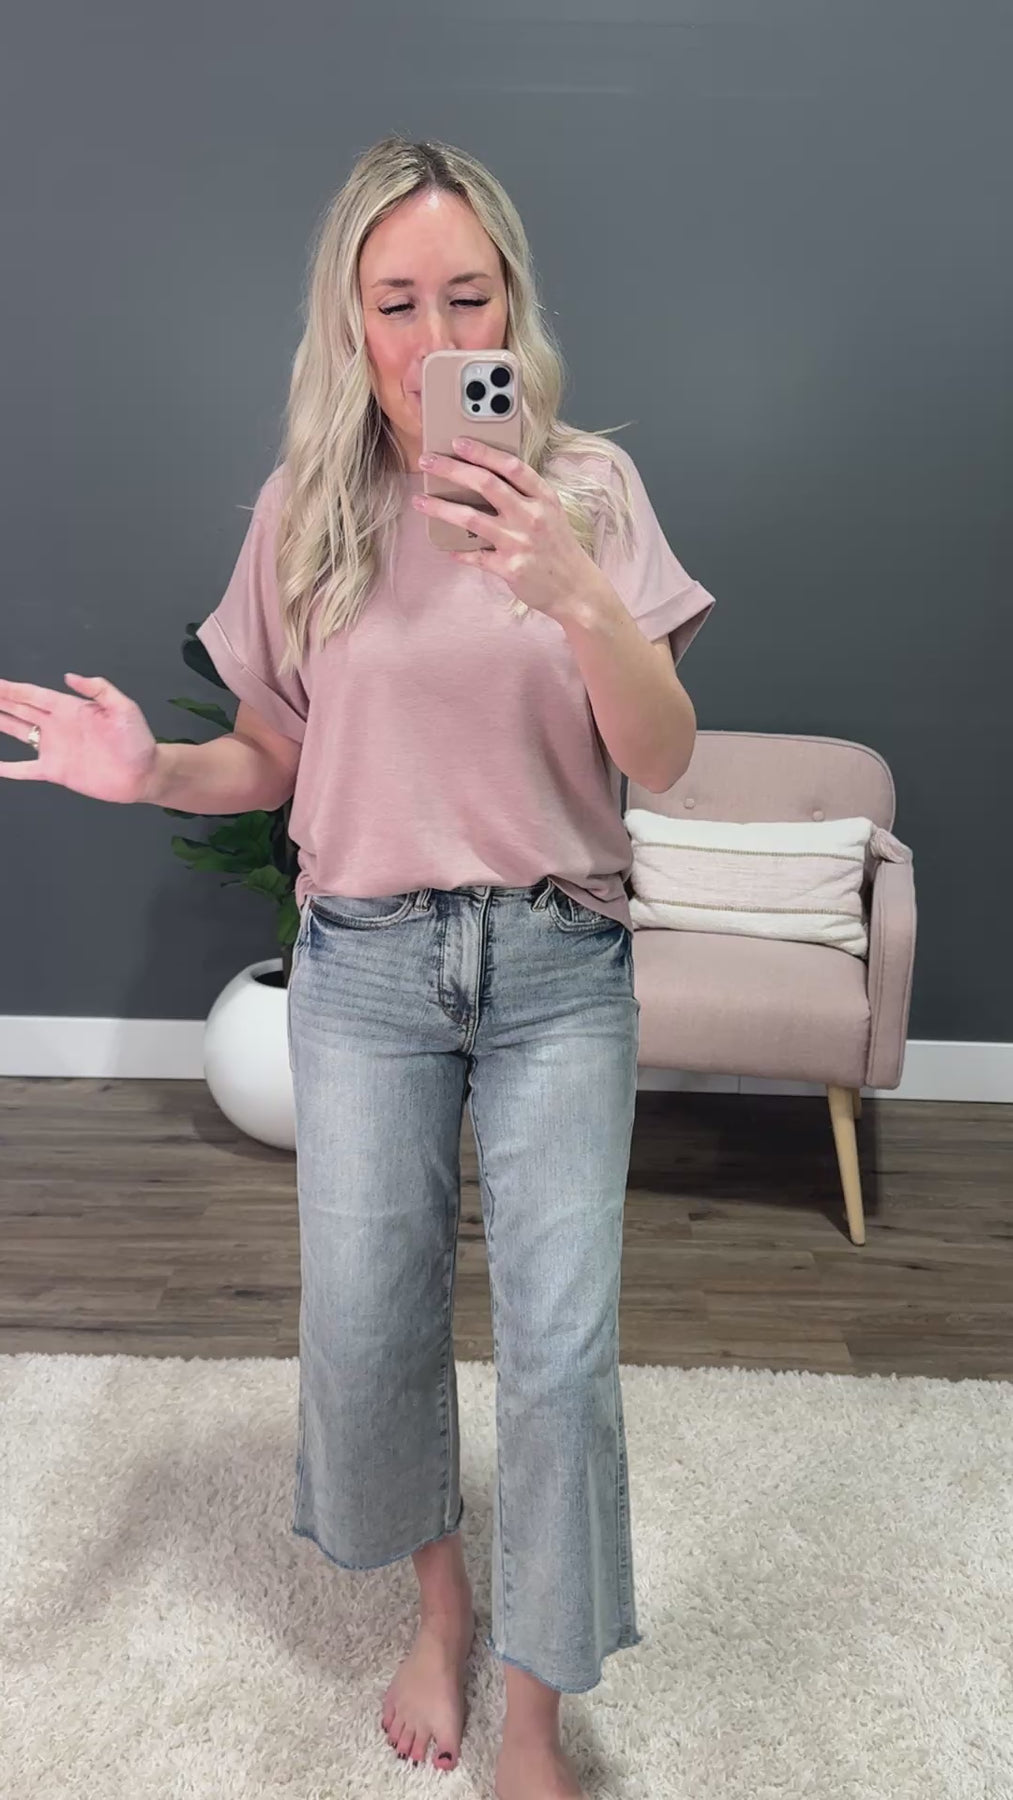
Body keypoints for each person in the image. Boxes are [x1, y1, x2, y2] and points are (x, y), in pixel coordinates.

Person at [0, 135, 715, 1799]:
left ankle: (532, 1712)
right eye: (395, 301)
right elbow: (268, 756)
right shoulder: (305, 511)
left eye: (465, 295)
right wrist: (151, 775)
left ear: (511, 304)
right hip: (366, 968)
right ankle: (437, 1616)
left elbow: (664, 757)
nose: (432, 335)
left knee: (559, 1356)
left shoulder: (591, 494)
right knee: (372, 1330)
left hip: (557, 961)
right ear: (350, 319)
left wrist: (574, 595)